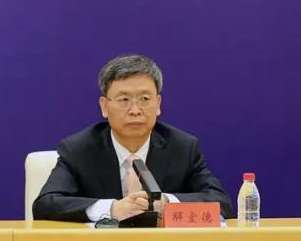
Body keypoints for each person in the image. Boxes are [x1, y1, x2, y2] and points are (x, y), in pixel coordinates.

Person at [32, 54, 232, 223]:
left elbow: (221, 204)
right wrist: (112, 209)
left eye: (144, 99)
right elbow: (45, 205)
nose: (135, 110)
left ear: (158, 104)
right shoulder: (78, 149)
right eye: (124, 100)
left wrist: (167, 204)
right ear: (104, 106)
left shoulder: (183, 148)